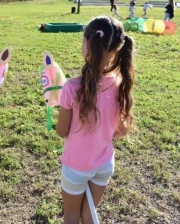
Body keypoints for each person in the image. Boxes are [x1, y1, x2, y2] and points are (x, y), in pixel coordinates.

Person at [56, 16, 135, 224]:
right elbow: (122, 130)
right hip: (104, 165)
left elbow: (62, 131)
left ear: (86, 43)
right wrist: (104, 134)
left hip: (75, 167)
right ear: (117, 50)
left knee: (72, 215)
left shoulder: (72, 87)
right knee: (89, 212)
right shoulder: (120, 83)